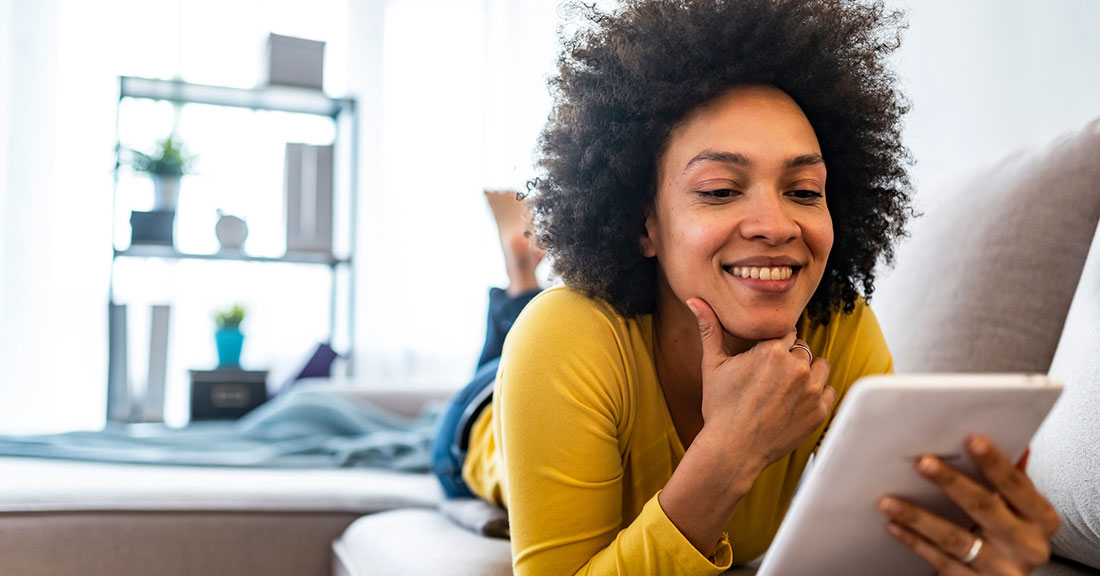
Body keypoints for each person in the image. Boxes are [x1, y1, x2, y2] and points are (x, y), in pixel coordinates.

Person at [433, 1, 1060, 574]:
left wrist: (981, 551)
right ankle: (520, 282)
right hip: (476, 433)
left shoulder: (836, 328)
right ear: (643, 221)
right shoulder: (564, 336)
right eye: (719, 190)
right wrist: (727, 454)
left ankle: (519, 274)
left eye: (804, 191)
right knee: (494, 367)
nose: (775, 225)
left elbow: (894, 534)